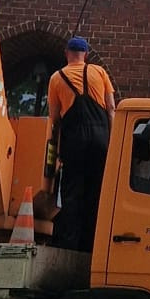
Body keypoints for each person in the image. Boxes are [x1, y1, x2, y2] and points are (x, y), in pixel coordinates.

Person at [44, 35, 116, 253]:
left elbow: (54, 118)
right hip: (101, 138)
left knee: (72, 192)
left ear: (67, 53)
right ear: (86, 54)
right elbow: (112, 107)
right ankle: (92, 245)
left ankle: (70, 246)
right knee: (96, 191)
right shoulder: (99, 72)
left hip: (74, 140)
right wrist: (111, 140)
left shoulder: (57, 78)